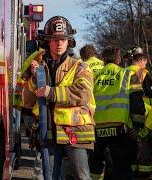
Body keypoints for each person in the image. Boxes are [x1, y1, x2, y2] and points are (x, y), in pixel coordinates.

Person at [22, 15, 95, 180]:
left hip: (74, 133)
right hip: (49, 134)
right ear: (48, 41)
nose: (59, 43)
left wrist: (51, 92)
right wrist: (34, 78)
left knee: (81, 176)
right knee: (50, 177)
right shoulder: (40, 67)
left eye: (63, 39)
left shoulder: (80, 66)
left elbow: (83, 93)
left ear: (69, 42)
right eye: (55, 39)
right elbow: (27, 101)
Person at [89, 46, 145, 180]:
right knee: (122, 169)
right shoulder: (128, 74)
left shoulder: (93, 76)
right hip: (121, 131)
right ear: (119, 59)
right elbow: (137, 101)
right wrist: (137, 127)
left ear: (103, 59)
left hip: (97, 130)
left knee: (95, 170)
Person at [127, 47, 152, 177]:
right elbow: (151, 93)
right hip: (142, 113)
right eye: (145, 62)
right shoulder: (143, 73)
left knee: (131, 147)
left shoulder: (123, 72)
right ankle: (146, 173)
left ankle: (132, 171)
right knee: (145, 145)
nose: (145, 65)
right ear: (142, 60)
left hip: (125, 115)